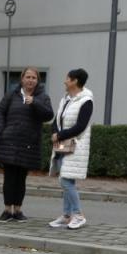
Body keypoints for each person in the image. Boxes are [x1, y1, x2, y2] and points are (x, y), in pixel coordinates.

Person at [0, 67, 54, 222]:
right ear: (22, 79)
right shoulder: (12, 95)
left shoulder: (42, 97)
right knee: (9, 177)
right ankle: (7, 209)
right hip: (9, 141)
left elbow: (48, 115)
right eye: (28, 77)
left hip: (28, 144)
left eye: (34, 78)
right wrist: (1, 131)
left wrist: (35, 103)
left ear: (38, 81)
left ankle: (18, 210)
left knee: (21, 178)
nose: (30, 80)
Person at [49, 68, 94, 230]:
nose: (65, 81)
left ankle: (78, 215)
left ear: (75, 81)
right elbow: (57, 120)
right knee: (66, 178)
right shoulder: (66, 99)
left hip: (76, 145)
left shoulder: (86, 101)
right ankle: (67, 215)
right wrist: (55, 132)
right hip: (63, 144)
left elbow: (81, 126)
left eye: (67, 78)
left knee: (65, 180)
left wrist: (60, 135)